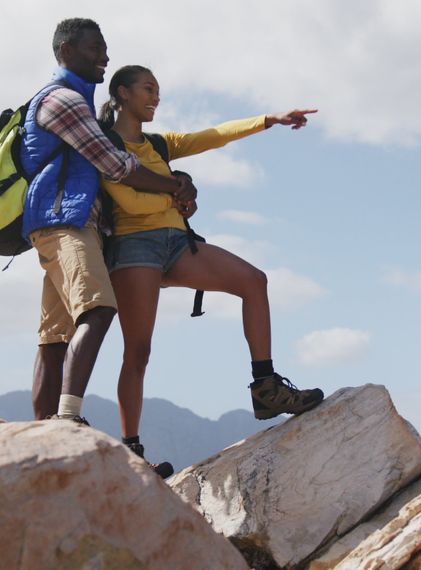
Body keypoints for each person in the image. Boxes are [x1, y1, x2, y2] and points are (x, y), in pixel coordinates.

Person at [97, 64, 324, 467]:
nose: (155, 97)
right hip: (133, 248)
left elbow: (214, 135)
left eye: (158, 90)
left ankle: (266, 388)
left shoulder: (159, 144)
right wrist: (177, 192)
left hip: (177, 243)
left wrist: (270, 119)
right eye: (148, 89)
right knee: (138, 351)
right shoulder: (104, 145)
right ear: (122, 93)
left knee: (254, 281)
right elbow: (130, 203)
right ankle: (132, 451)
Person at [23, 20, 196, 474]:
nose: (104, 56)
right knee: (98, 308)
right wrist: (173, 184)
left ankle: (42, 443)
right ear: (66, 49)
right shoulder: (63, 101)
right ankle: (67, 418)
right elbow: (114, 164)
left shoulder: (76, 100)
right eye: (95, 48)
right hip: (65, 222)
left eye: (105, 48)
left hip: (68, 223)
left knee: (55, 337)